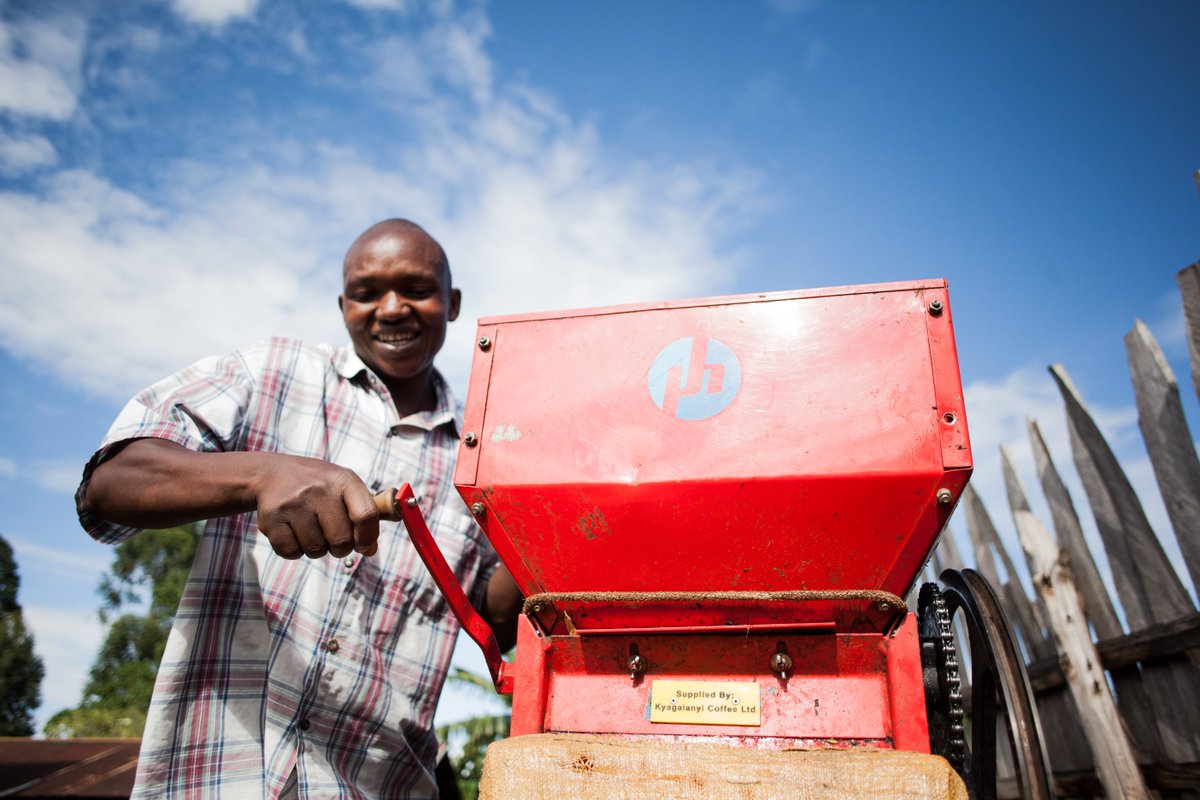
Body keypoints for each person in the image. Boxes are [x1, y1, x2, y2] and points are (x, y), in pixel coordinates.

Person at [76, 218, 522, 799]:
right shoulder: (274, 372)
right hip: (218, 775)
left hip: (380, 784)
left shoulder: (478, 455)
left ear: (452, 303)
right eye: (367, 293)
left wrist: (567, 515)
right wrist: (261, 473)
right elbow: (108, 487)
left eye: (416, 289)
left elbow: (500, 622)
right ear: (343, 306)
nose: (391, 309)